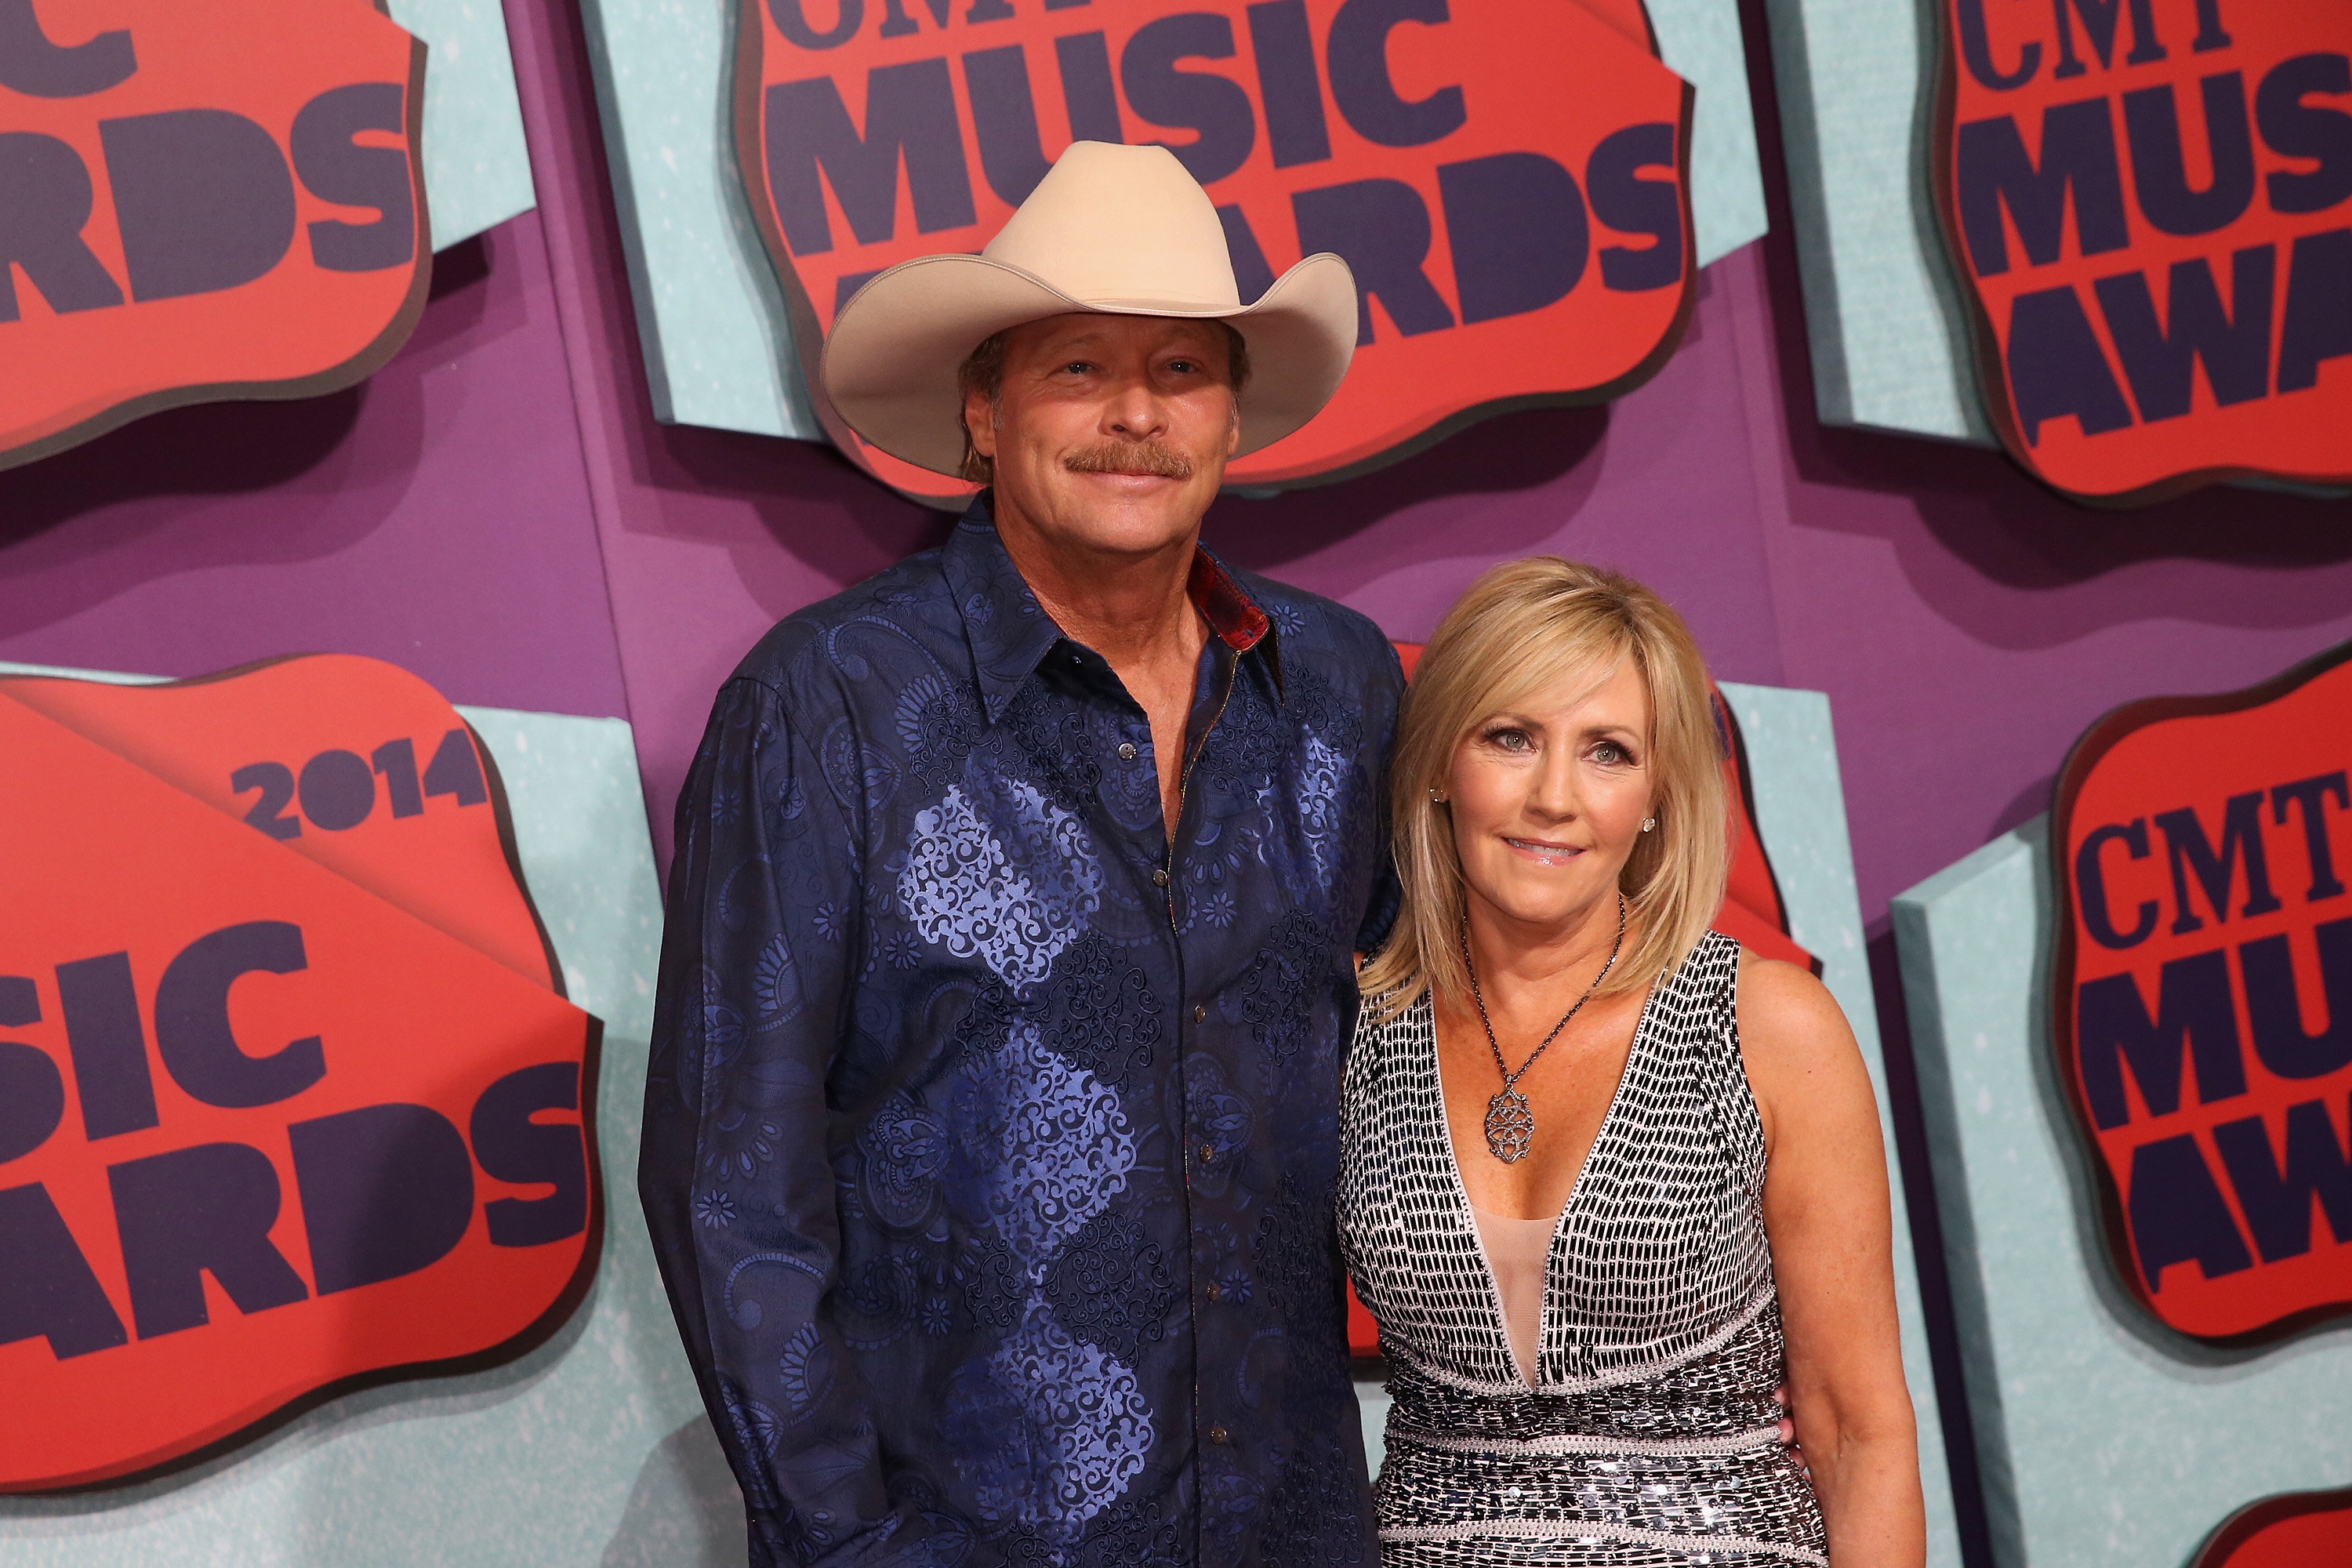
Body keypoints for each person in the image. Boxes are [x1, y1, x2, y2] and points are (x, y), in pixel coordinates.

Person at [641, 140, 1399, 1565]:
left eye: (1182, 371)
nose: (1135, 415)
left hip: (1297, 1527)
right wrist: (849, 1548)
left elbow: (1464, 1046)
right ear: (980, 413)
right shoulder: (830, 704)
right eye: (1076, 370)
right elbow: (729, 1179)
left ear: (1233, 420)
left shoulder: (1344, 692)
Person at [1338, 558, 1926, 1566]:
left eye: (1607, 751)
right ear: (1439, 762)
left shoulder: (1767, 1025)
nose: (1555, 796)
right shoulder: (1349, 1028)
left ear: (1657, 794)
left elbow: (1856, 1429)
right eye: (1510, 737)